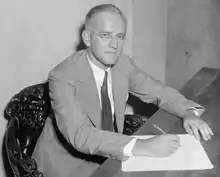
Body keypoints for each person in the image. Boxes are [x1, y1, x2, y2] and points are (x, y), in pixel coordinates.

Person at [33, 4, 214, 177]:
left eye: (120, 36)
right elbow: (80, 135)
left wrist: (187, 112)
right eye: (106, 35)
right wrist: (142, 146)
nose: (115, 45)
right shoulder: (62, 76)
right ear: (87, 38)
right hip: (67, 164)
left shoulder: (123, 64)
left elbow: (158, 91)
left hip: (110, 151)